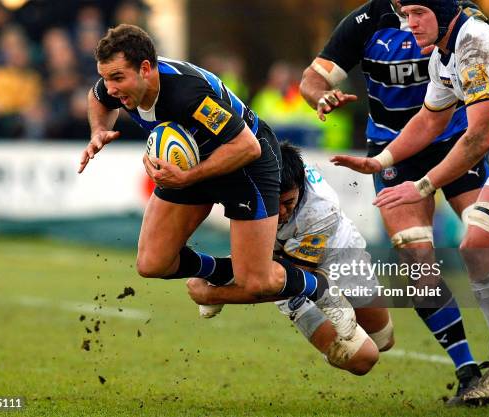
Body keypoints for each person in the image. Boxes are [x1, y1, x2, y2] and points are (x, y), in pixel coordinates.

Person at [335, 0, 489, 413]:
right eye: (405, 15)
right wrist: (381, 161)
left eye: (418, 13)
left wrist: (422, 186)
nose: (409, 25)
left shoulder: (475, 48)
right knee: (476, 247)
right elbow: (429, 120)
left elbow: (478, 139)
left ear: (444, 12)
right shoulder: (443, 55)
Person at [78, 24, 359, 354]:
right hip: (194, 164)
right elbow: (97, 97)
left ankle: (319, 286)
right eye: (106, 78)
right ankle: (225, 269)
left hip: (246, 165)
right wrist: (98, 131)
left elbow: (248, 146)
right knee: (153, 263)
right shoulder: (118, 85)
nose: (110, 88)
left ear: (145, 68)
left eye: (117, 78)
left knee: (256, 282)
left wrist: (189, 177)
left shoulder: (187, 94)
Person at [300, 0, 488, 405]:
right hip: (393, 152)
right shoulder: (365, 22)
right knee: (417, 263)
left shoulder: (456, 12)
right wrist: (320, 97)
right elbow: (311, 80)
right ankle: (468, 370)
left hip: (456, 143)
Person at [188, 142, 395, 375]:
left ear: (300, 186)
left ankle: (220, 276)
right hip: (279, 262)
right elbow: (281, 280)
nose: (282, 211)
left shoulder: (321, 209)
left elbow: (291, 280)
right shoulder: (247, 184)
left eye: (288, 202)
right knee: (362, 359)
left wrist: (213, 293)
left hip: (338, 255)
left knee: (383, 340)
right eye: (275, 203)